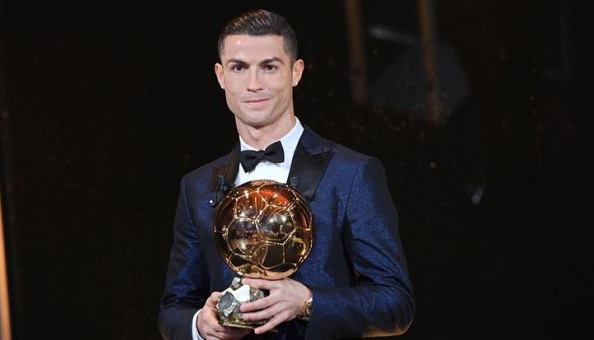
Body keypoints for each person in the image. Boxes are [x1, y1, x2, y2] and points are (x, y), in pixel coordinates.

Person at [157, 8, 415, 339]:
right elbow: (173, 307)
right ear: (221, 76)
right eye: (239, 68)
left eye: (269, 67)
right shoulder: (195, 186)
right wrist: (200, 326)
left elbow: (396, 304)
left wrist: (307, 302)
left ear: (296, 72)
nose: (253, 84)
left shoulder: (352, 174)